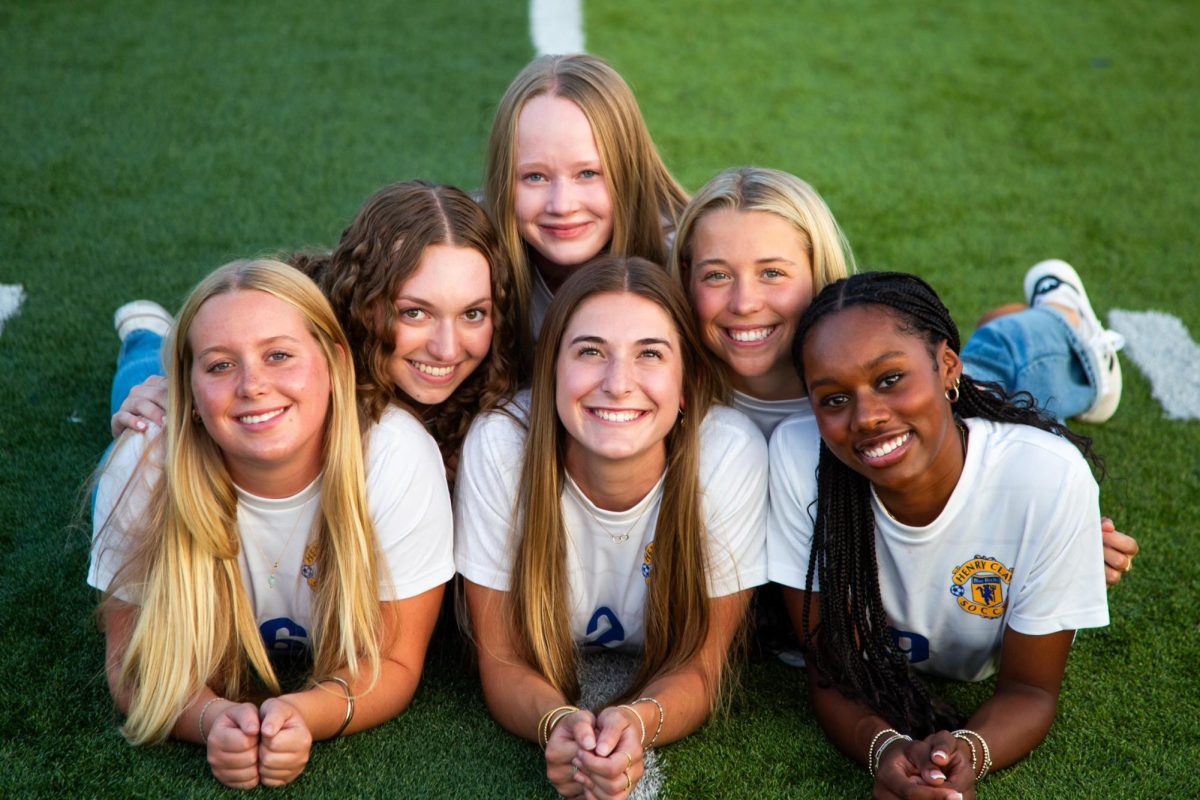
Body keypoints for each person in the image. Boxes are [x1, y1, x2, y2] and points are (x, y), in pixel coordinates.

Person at [671, 167, 1137, 584]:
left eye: (772, 272)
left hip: (952, 391)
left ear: (819, 273)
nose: (744, 303)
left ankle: (1059, 319)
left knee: (996, 374)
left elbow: (998, 484)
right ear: (687, 276)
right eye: (717, 276)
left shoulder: (878, 389)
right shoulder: (663, 385)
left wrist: (1066, 539)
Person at [90, 260, 454, 789]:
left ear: (333, 361)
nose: (253, 385)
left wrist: (307, 713)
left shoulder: (395, 455)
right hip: (160, 436)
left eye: (279, 355)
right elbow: (131, 665)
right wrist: (210, 719)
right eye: (218, 366)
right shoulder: (144, 462)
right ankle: (150, 341)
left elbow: (393, 662)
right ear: (188, 390)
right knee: (137, 393)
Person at [768, 271, 1110, 799]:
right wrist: (886, 748)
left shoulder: (1046, 477)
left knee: (1019, 374)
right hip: (933, 419)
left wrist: (967, 753)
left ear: (947, 364)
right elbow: (831, 669)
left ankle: (1057, 318)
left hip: (960, 410)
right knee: (971, 382)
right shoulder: (798, 459)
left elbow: (1030, 690)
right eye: (834, 399)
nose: (866, 417)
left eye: (888, 379)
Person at [455, 257, 767, 798]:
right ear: (552, 370)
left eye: (650, 354)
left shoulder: (727, 453)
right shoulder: (502, 445)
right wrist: (559, 724)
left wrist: (639, 721)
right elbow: (503, 661)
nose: (618, 383)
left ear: (689, 383)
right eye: (591, 352)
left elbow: (702, 666)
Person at [110, 181, 521, 476]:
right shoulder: (303, 323)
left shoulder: (502, 365)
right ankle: (145, 335)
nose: (447, 350)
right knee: (148, 402)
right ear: (364, 300)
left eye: (472, 314)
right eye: (415, 312)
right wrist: (166, 392)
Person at [482, 53, 689, 342]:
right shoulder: (465, 251)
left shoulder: (688, 261)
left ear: (630, 170)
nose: (562, 206)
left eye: (588, 173)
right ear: (502, 179)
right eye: (535, 177)